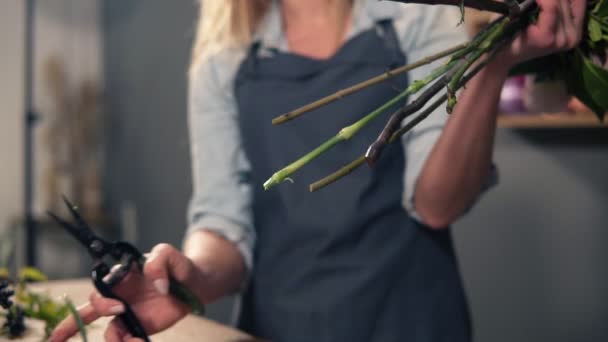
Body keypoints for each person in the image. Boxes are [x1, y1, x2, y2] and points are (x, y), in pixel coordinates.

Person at [50, 0, 586, 341]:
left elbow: (437, 204)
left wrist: (488, 69)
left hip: (411, 321)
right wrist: (186, 280)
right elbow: (224, 227)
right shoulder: (225, 57)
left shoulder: (419, 18)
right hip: (282, 326)